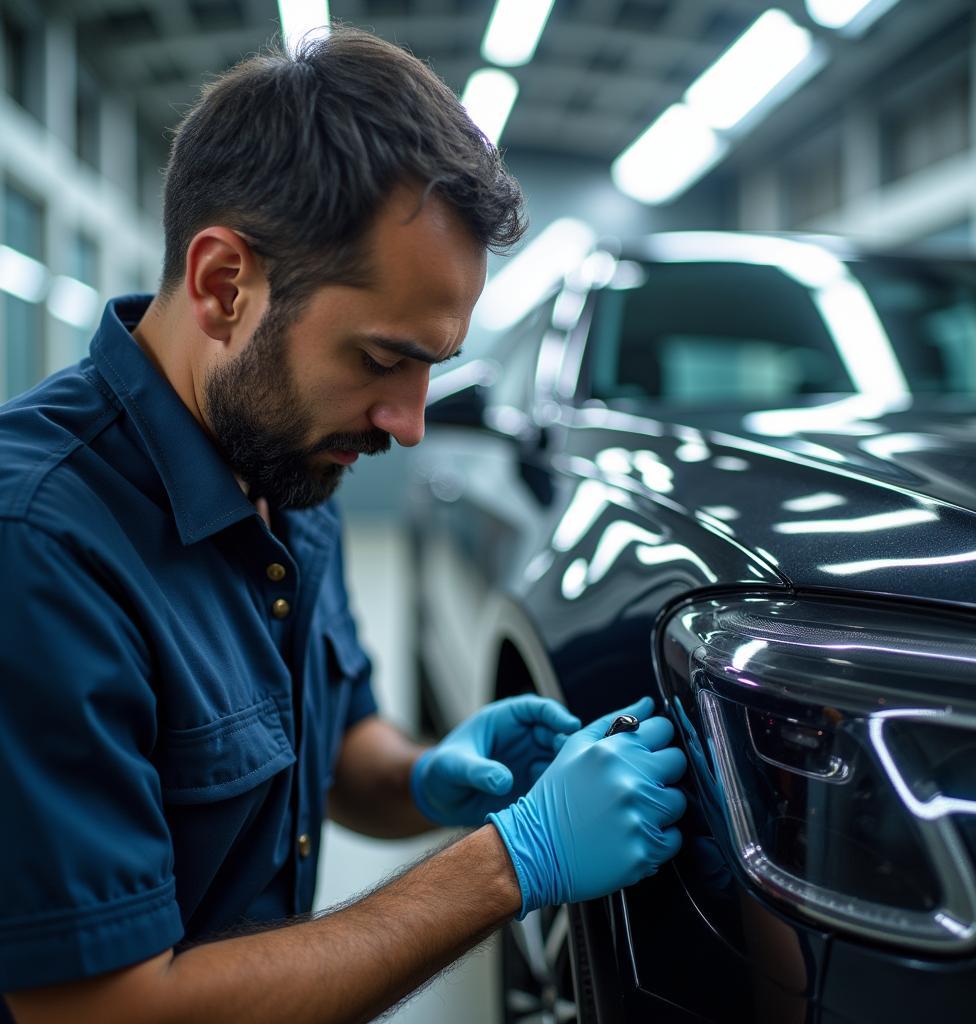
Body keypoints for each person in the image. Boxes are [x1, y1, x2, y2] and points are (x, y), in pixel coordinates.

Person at [0, 26, 686, 1024]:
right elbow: (105, 1009)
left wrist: (434, 776)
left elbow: (332, 749)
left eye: (431, 370)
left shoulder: (282, 467)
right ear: (224, 285)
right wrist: (509, 861)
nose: (408, 425)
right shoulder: (39, 545)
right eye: (380, 359)